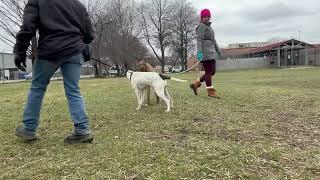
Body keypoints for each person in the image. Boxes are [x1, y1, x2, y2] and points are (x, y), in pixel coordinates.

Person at [14, 0, 94, 144]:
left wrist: (20, 51)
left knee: (37, 88)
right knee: (73, 90)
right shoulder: (77, 5)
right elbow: (89, 34)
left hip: (49, 50)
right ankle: (82, 130)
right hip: (74, 50)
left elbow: (28, 27)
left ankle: (29, 129)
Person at [190, 9, 222, 98]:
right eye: (205, 17)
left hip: (211, 52)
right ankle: (210, 92)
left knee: (213, 72)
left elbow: (214, 40)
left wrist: (218, 50)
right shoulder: (201, 26)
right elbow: (199, 40)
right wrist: (199, 52)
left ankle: (195, 84)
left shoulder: (209, 27)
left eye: (208, 16)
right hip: (205, 52)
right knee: (208, 72)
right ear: (202, 17)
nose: (207, 18)